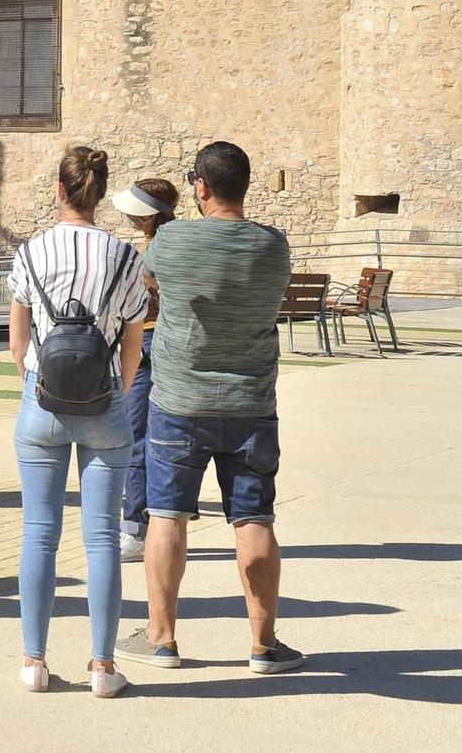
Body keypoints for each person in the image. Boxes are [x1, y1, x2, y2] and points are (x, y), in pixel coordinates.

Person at [118, 141, 304, 675]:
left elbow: (147, 281)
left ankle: (161, 638)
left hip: (179, 400)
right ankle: (264, 644)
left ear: (200, 186)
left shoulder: (173, 240)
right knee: (254, 519)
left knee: (167, 515)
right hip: (251, 401)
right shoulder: (274, 246)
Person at [8, 147, 150, 697]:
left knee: (39, 534)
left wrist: (37, 379)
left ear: (61, 191)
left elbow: (18, 345)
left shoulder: (32, 251)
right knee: (101, 540)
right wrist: (120, 387)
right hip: (105, 401)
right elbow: (134, 349)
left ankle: (34, 660)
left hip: (42, 400)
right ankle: (102, 667)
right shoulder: (124, 257)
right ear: (100, 194)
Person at [108, 177, 178, 564]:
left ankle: (135, 526)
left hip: (147, 343)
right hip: (162, 344)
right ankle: (157, 517)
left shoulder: (154, 250)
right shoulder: (169, 243)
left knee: (136, 437)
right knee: (158, 437)